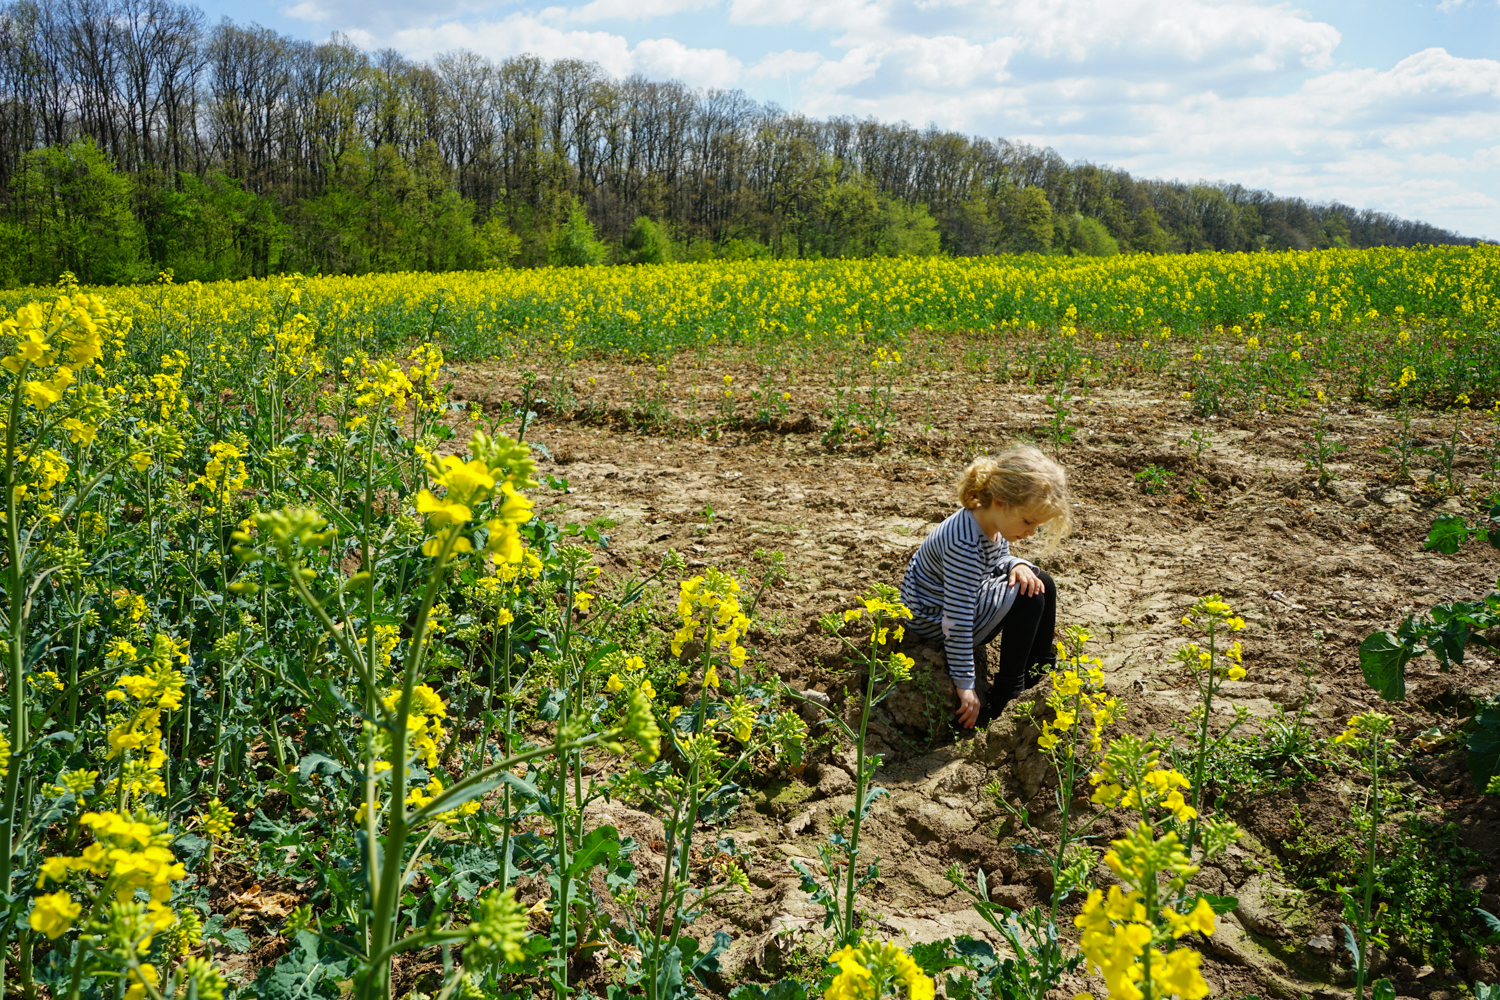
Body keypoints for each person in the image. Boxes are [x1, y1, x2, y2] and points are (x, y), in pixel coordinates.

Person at [899, 446, 1072, 729]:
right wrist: (966, 685)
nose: (1031, 532)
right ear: (1001, 500)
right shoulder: (964, 544)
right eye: (1028, 521)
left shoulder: (989, 520)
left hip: (955, 602)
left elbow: (996, 558)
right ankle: (1007, 695)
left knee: (1042, 583)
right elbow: (956, 619)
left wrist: (1015, 564)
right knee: (1028, 598)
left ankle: (1039, 669)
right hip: (932, 620)